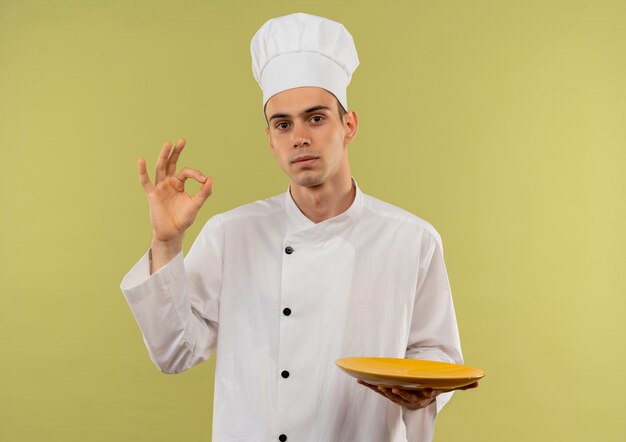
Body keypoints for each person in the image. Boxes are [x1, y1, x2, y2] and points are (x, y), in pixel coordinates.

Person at [120, 12, 474, 442]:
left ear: (349, 125)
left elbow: (436, 356)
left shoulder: (413, 240)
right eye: (283, 124)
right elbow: (175, 352)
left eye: (316, 117)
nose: (299, 137)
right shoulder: (231, 234)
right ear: (270, 138)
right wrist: (166, 240)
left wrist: (425, 394)